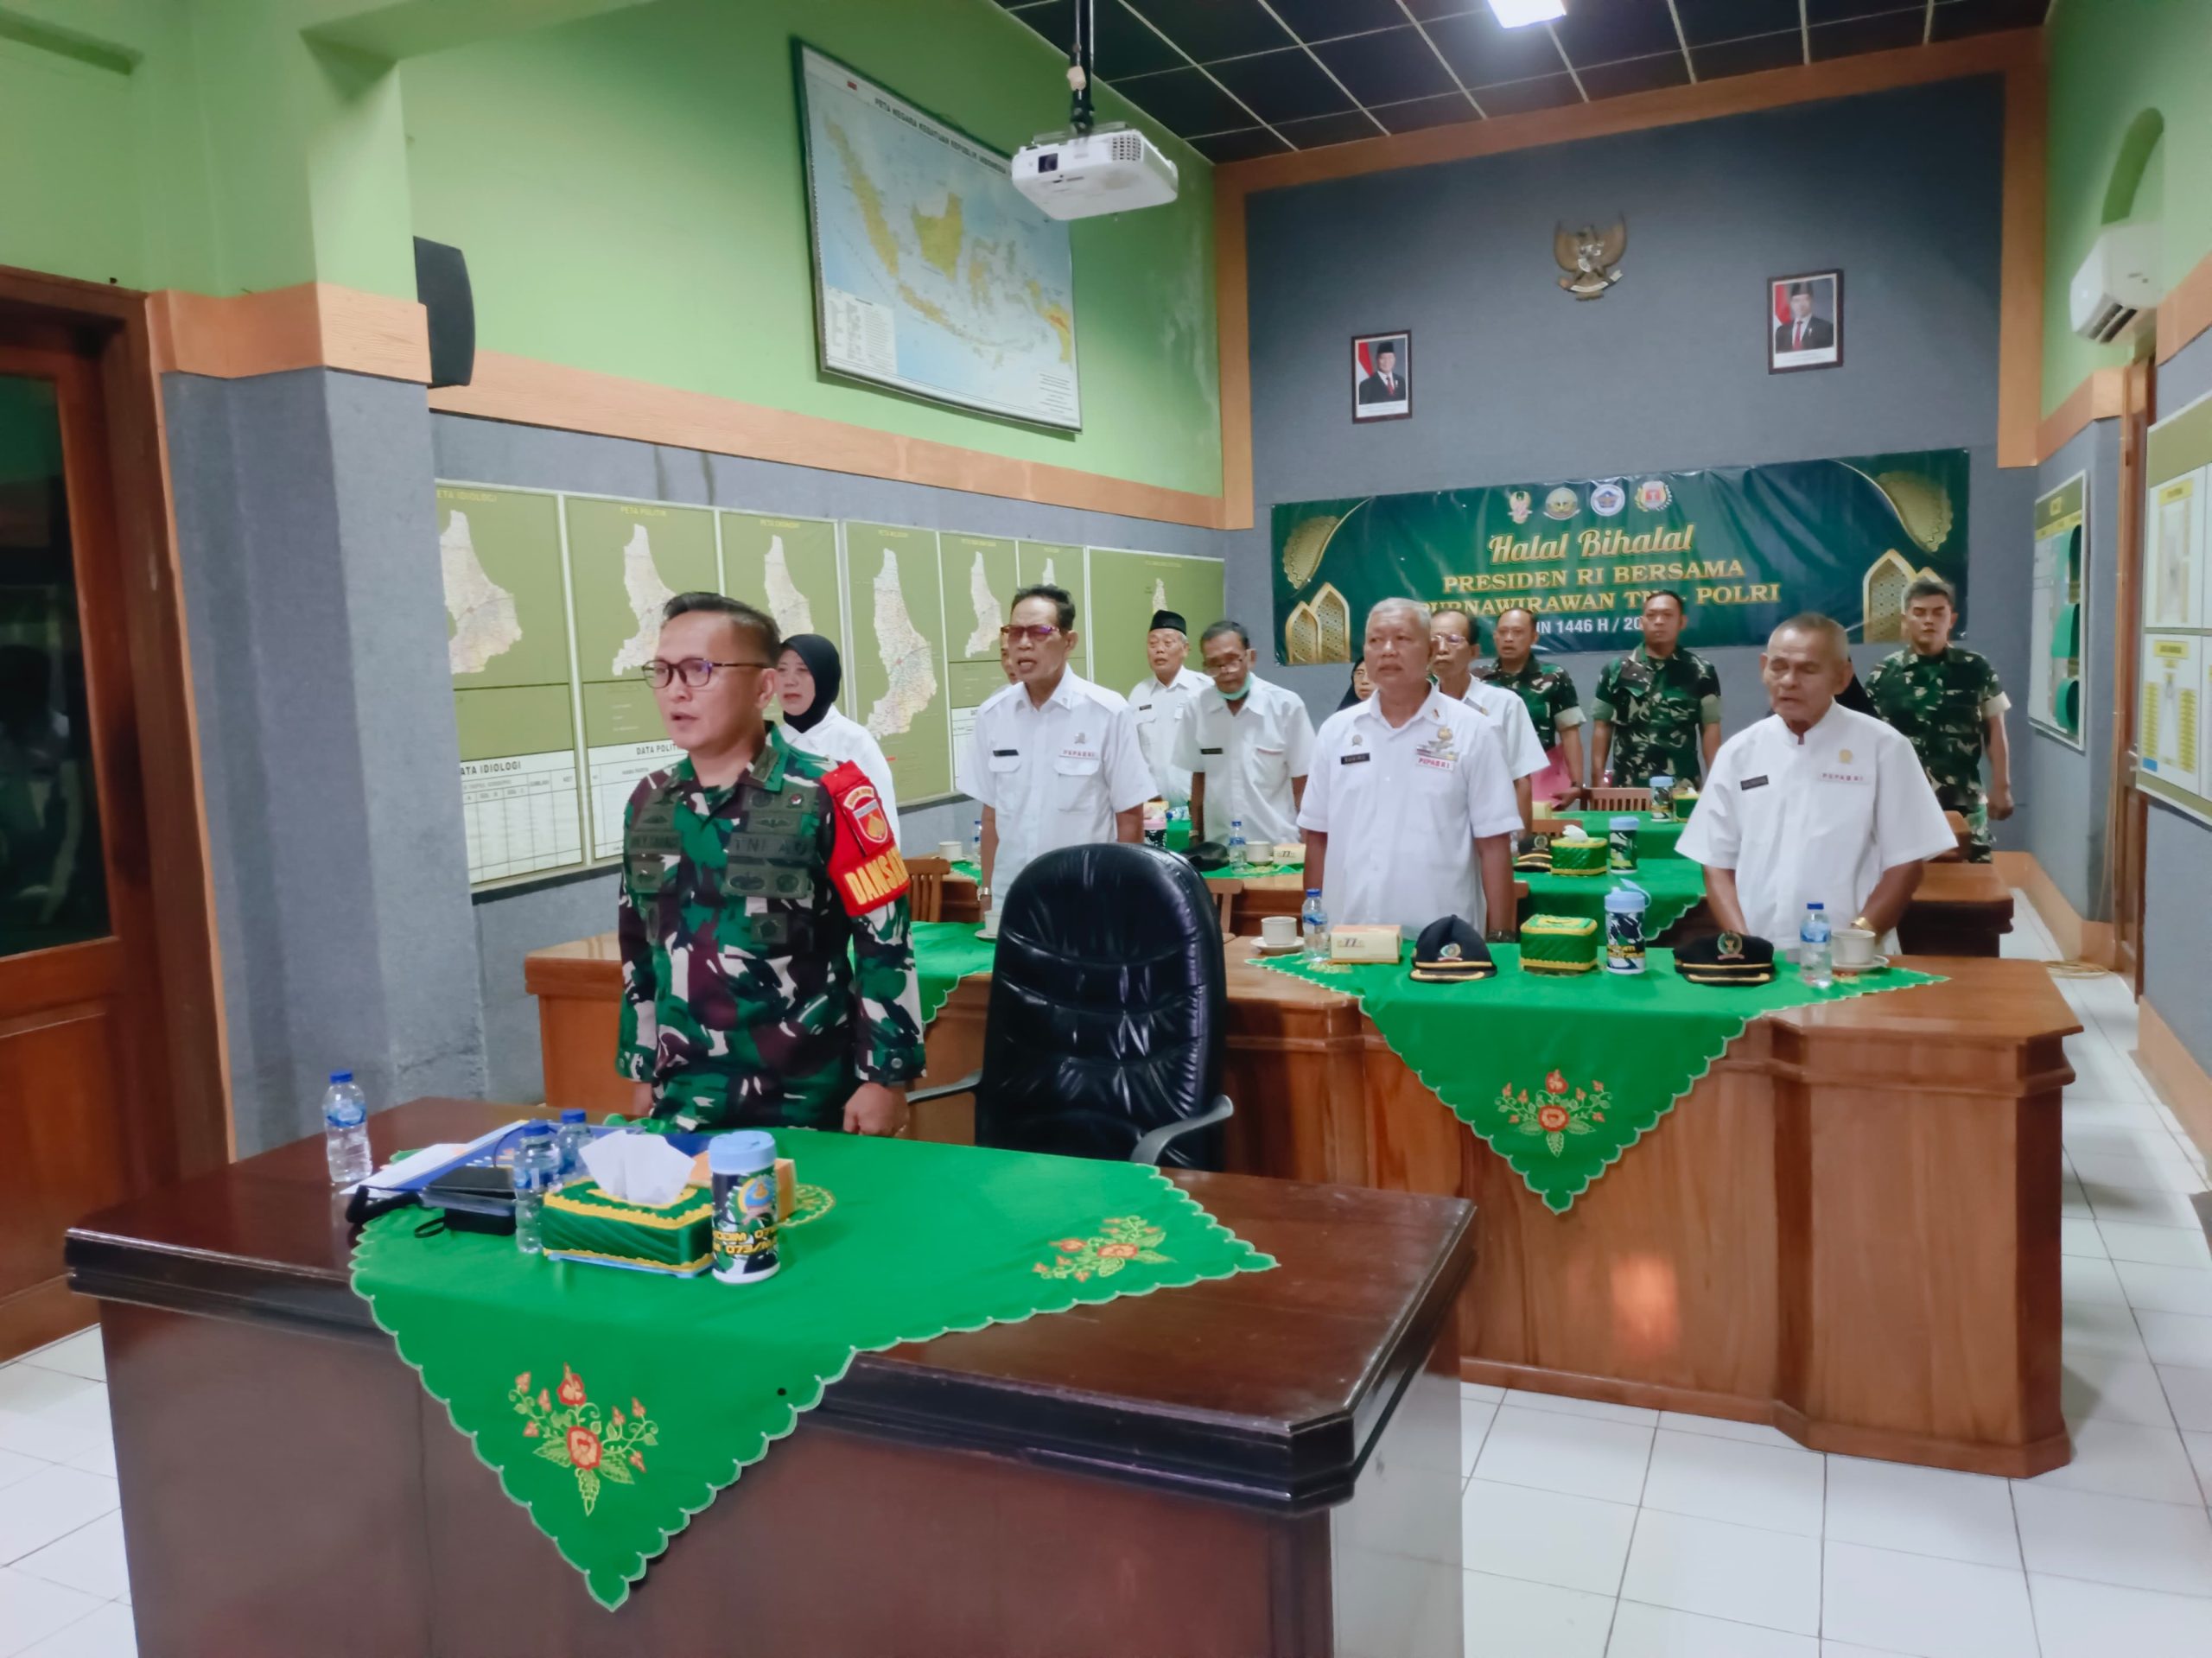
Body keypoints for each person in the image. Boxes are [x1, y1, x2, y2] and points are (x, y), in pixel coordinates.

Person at [616, 593, 922, 1135]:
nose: (677, 690)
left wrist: (885, 1078)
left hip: (807, 1099)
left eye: (700, 669)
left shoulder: (833, 792)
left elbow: (885, 940)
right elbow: (638, 943)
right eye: (662, 671)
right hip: (683, 1096)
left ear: (763, 688)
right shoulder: (649, 800)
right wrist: (642, 1065)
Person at [1680, 613, 1954, 952]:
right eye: (1778, 667)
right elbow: (1716, 862)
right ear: (1763, 668)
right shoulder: (1738, 753)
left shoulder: (1884, 747)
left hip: (1855, 955)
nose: (1789, 681)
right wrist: (1745, 946)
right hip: (1761, 956)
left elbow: (1906, 863)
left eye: (1808, 670)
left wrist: (1856, 942)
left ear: (1842, 677)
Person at [1299, 599, 1521, 939]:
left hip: (1444, 940)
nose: (1388, 651)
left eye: (1402, 639)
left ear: (1430, 650)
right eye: (1375, 641)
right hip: (1349, 936)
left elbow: (1494, 844)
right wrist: (1314, 931)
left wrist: (1502, 936)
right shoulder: (1336, 731)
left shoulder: (1475, 731)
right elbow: (1317, 835)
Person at [967, 584, 1152, 904]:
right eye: (1015, 632)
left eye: (1039, 632)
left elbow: (1130, 816)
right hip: (1013, 899)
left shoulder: (1108, 712)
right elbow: (991, 816)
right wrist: (987, 892)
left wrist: (1121, 898)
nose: (1024, 644)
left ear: (1069, 642)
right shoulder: (992, 714)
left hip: (1086, 897)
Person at [1863, 576, 2012, 862]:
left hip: (1963, 801)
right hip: (1902, 803)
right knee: (1905, 875)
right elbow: (1869, 738)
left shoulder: (1976, 669)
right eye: (1919, 613)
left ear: (1951, 619)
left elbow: (1995, 731)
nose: (1928, 621)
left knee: (1974, 876)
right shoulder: (1884, 673)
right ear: (1905, 619)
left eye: (1938, 612)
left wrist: (2002, 787)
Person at [1173, 621, 1315, 847]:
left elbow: (1303, 783)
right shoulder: (1196, 708)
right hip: (1220, 847)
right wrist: (1196, 834)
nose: (1225, 671)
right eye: (1214, 664)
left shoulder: (1285, 706)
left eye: (1232, 660)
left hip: (1277, 846)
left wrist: (1309, 844)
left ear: (1250, 657)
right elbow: (1199, 776)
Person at [774, 633, 900, 847]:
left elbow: (883, 831)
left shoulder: (855, 742)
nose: (789, 681)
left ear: (825, 677)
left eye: (803, 670)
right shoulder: (769, 743)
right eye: (781, 670)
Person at [1591, 590, 1722, 787]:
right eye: (1651, 615)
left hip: (1682, 788)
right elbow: (1602, 727)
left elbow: (1710, 729)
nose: (1659, 621)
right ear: (1641, 622)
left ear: (1682, 622)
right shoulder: (1616, 670)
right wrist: (1597, 779)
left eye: (1667, 615)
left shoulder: (1702, 671)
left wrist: (1716, 783)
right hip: (1628, 787)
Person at [1430, 609, 1547, 827]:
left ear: (1474, 652)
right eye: (1433, 640)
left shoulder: (1504, 704)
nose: (1442, 649)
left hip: (1491, 828)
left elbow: (1521, 779)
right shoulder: (1419, 708)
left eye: (1453, 639)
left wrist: (1519, 842)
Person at [1482, 606, 1586, 806]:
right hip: (1489, 781)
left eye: (1517, 632)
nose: (1509, 638)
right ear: (1495, 636)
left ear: (1534, 637)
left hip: (1540, 782)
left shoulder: (1554, 676)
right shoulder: (1478, 679)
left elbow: (1569, 732)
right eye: (1503, 632)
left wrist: (1576, 784)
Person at [1125, 608, 1210, 807]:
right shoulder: (1139, 694)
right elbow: (1132, 753)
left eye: (1168, 643)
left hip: (1199, 805)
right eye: (1153, 644)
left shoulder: (1204, 689)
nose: (1159, 650)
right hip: (1155, 808)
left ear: (1185, 649)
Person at [1774, 283, 1834, 354]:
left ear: (1811, 300)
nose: (1801, 305)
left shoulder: (1826, 328)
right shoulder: (1781, 331)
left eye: (1805, 300)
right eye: (1796, 300)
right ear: (1791, 303)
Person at [1357, 340, 1407, 405]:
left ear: (1394, 359)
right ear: (1377, 360)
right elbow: (1362, 410)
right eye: (1383, 358)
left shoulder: (1401, 381)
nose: (1387, 361)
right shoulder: (1366, 385)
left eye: (1390, 357)